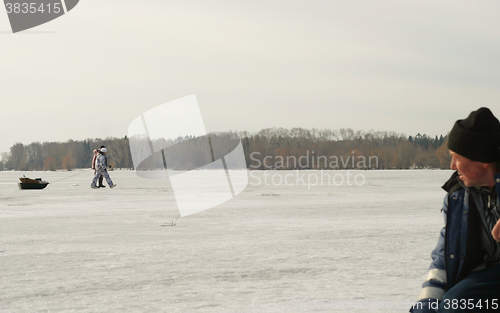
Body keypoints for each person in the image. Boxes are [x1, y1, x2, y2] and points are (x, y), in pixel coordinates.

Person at [410, 107, 500, 313]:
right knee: (452, 305)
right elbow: (444, 256)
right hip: (488, 277)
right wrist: (426, 304)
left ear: (482, 161)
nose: (452, 166)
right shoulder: (458, 197)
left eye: (457, 157)